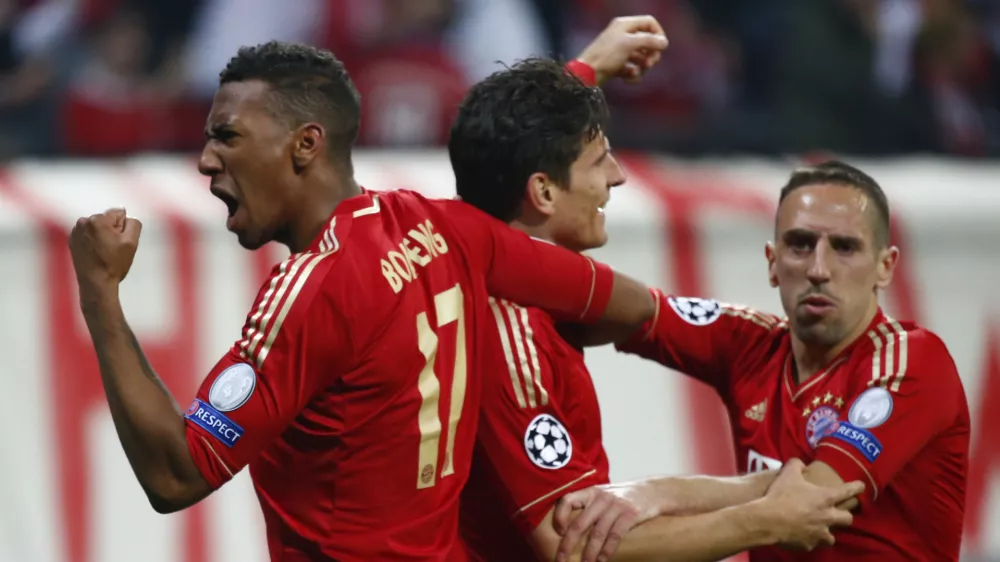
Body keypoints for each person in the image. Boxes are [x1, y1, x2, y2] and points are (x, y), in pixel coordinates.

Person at [65, 40, 661, 562]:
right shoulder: (443, 228)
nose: (206, 161)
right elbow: (626, 305)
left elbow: (176, 476)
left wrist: (99, 296)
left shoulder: (314, 291)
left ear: (305, 145)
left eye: (228, 137)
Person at [450, 49, 864, 562]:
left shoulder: (528, 302)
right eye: (600, 161)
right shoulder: (510, 329)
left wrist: (587, 67)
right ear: (543, 192)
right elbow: (571, 545)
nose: (619, 177)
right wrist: (761, 520)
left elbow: (502, 136)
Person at [559, 160, 970, 561]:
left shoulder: (911, 361)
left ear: (885, 266)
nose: (818, 268)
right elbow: (634, 310)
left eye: (844, 247)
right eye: (800, 245)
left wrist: (660, 493)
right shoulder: (751, 343)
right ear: (773, 262)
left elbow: (815, 495)